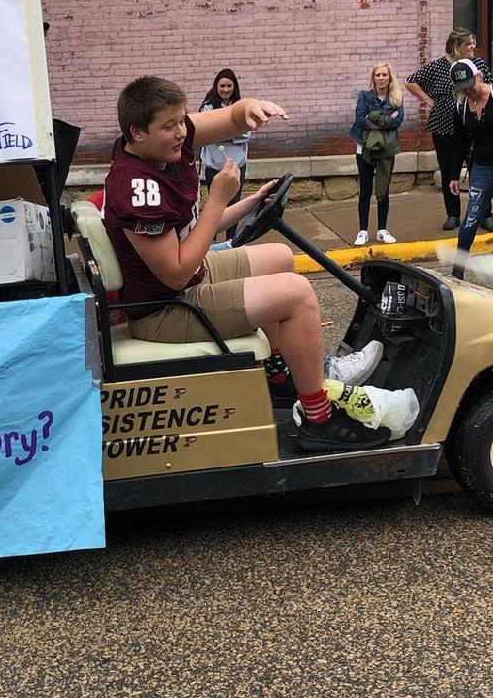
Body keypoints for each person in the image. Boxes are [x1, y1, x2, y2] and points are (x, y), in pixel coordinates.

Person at [103, 75, 389, 452]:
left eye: (181, 121)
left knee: (280, 257)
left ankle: (279, 375)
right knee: (297, 295)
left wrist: (249, 110)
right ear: (137, 133)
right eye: (169, 125)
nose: (180, 132)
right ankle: (319, 419)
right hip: (164, 310)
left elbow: (231, 121)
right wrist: (220, 198)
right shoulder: (139, 189)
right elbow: (175, 273)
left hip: (188, 280)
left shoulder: (164, 147)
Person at [405, 27, 493, 231]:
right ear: (456, 47)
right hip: (444, 126)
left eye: (473, 43)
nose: (473, 47)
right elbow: (410, 82)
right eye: (468, 44)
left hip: (472, 125)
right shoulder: (438, 66)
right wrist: (429, 100)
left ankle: (484, 214)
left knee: (478, 170)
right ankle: (453, 214)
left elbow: (486, 87)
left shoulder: (477, 64)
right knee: (448, 171)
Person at [349, 62, 404, 246]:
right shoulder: (365, 96)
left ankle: (382, 230)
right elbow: (359, 120)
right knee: (365, 190)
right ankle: (362, 231)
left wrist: (372, 118)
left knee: (383, 190)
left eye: (384, 75)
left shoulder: (396, 98)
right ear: (373, 78)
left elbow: (399, 121)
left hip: (386, 150)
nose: (381, 78)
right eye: (377, 75)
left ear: (390, 78)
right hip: (364, 148)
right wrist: (386, 120)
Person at [449, 59, 493, 279]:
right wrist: (454, 175)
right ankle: (457, 272)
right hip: (482, 167)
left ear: (478, 76)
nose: (469, 93)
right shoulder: (461, 105)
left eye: (470, 87)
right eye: (463, 90)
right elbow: (460, 142)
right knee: (471, 219)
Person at [198, 68, 250, 241]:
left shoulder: (240, 107)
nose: (226, 89)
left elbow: (246, 134)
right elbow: (207, 134)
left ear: (234, 87)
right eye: (222, 86)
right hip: (214, 165)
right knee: (215, 204)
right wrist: (232, 131)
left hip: (237, 164)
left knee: (234, 203)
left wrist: (220, 132)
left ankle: (231, 240)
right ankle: (210, 239)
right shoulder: (207, 108)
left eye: (229, 86)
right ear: (216, 86)